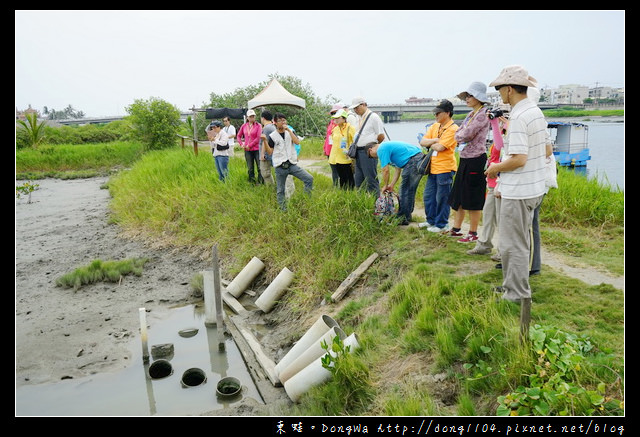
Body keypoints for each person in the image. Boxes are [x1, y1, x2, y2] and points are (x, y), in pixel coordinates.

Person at [485, 65, 547, 303]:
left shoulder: (520, 116)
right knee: (518, 241)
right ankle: (511, 286)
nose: (500, 94)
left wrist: (495, 168)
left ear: (509, 89)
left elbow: (519, 159)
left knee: (513, 244)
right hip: (531, 188)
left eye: (500, 89)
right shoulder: (534, 111)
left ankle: (517, 293)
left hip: (520, 191)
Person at [448, 82, 491, 243]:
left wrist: (459, 135)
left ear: (478, 97)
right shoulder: (471, 114)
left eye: (470, 96)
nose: (467, 98)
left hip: (476, 159)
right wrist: (460, 135)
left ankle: (473, 233)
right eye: (466, 96)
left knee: (473, 198)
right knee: (458, 195)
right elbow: (460, 132)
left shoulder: (482, 114)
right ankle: (456, 229)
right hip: (465, 158)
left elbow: (465, 134)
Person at [467, 111, 508, 260]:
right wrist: (495, 123)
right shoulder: (502, 132)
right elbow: (496, 147)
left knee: (501, 219)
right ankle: (484, 244)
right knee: (489, 214)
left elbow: (501, 147)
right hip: (492, 182)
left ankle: (503, 251)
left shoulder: (511, 135)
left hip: (501, 182)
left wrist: (497, 124)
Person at [418, 99, 459, 232]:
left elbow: (441, 147)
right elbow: (423, 142)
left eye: (438, 113)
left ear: (447, 113)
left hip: (445, 168)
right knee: (429, 196)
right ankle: (431, 221)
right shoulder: (435, 126)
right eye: (435, 113)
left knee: (442, 198)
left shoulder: (453, 128)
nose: (435, 116)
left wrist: (432, 143)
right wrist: (434, 140)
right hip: (433, 167)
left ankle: (442, 224)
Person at [367, 141, 428, 225]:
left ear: (370, 150)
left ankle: (402, 218)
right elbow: (397, 169)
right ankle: (407, 215)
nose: (375, 158)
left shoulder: (381, 149)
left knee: (404, 191)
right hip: (419, 159)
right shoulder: (388, 148)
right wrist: (391, 184)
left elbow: (385, 170)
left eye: (372, 156)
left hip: (413, 161)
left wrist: (385, 185)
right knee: (409, 190)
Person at [264, 113, 314, 210]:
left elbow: (297, 142)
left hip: (291, 164)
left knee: (309, 179)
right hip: (280, 166)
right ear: (275, 123)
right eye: (280, 120)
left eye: (284, 120)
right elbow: (270, 152)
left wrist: (289, 131)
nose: (282, 122)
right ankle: (283, 210)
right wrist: (265, 141)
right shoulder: (272, 136)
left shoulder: (290, 132)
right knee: (280, 190)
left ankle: (306, 201)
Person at [349, 96, 385, 197]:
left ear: (364, 104)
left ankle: (377, 206)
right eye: (354, 108)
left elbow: (381, 135)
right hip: (358, 152)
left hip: (368, 152)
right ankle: (362, 204)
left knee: (371, 180)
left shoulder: (373, 117)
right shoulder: (358, 118)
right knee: (359, 180)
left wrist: (373, 147)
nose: (356, 110)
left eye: (357, 107)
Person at [328, 109, 355, 189]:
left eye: (337, 118)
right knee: (341, 179)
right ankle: (343, 194)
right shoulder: (335, 129)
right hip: (336, 157)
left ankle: (350, 194)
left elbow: (354, 142)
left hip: (346, 158)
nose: (335, 120)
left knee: (349, 178)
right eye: (334, 118)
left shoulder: (350, 128)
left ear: (344, 118)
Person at [236, 109, 263, 184]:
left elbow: (258, 138)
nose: (252, 118)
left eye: (253, 116)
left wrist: (250, 145)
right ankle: (252, 182)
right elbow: (238, 136)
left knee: (259, 167)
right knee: (250, 167)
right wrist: (241, 144)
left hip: (256, 149)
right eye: (250, 116)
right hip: (247, 150)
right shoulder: (244, 126)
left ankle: (261, 182)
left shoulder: (258, 125)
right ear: (247, 118)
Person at [325, 103, 343, 186]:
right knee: (334, 170)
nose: (334, 115)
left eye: (336, 113)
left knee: (341, 170)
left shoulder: (342, 125)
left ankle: (343, 187)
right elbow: (328, 137)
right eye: (332, 113)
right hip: (329, 149)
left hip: (338, 150)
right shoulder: (330, 123)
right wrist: (325, 148)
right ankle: (335, 187)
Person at [259, 110, 276, 185]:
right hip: (271, 153)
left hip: (267, 155)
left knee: (265, 173)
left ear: (263, 118)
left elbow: (264, 141)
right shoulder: (272, 126)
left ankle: (270, 187)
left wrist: (262, 154)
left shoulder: (267, 128)